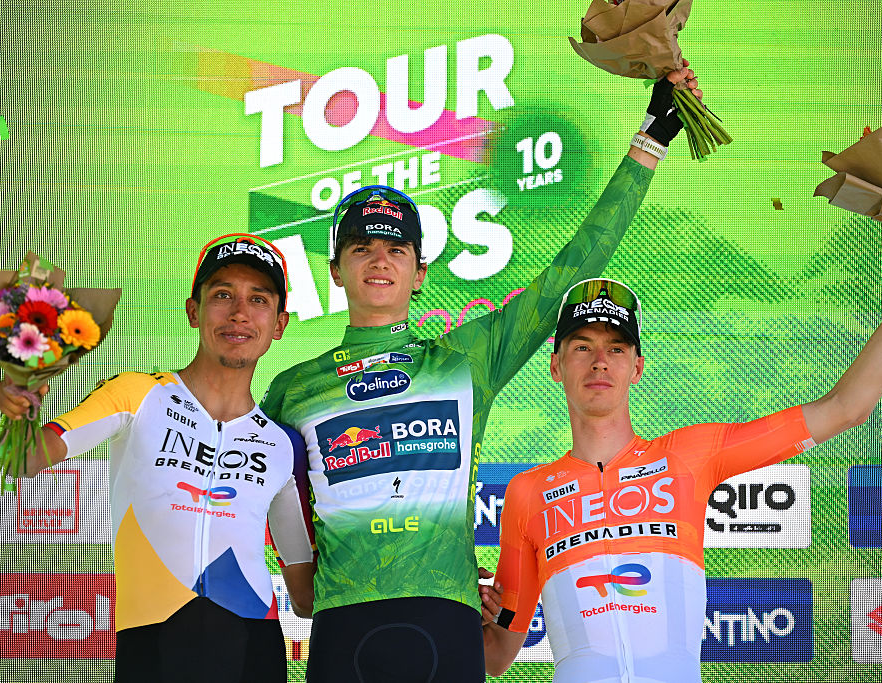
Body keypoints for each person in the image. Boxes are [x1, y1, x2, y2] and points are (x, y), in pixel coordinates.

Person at [258, 65, 702, 681]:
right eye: (361, 248)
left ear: (420, 272)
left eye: (396, 249)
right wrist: (300, 582)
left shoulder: (465, 359)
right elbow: (260, 501)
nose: (380, 260)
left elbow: (574, 269)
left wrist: (651, 141)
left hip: (447, 623)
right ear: (336, 269)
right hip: (342, 628)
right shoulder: (293, 389)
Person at [481, 205, 882, 682]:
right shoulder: (528, 493)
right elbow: (495, 656)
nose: (599, 360)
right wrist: (456, 604)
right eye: (582, 346)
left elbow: (846, 407)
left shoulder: (688, 455)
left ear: (636, 368)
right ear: (556, 366)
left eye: (616, 348)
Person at [0, 234, 317, 683]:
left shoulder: (283, 444)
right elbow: (23, 459)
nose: (240, 313)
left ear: (279, 324)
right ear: (193, 311)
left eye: (258, 299)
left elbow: (305, 597)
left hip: (254, 650)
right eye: (222, 295)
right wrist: (17, 407)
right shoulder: (136, 394)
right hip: (152, 644)